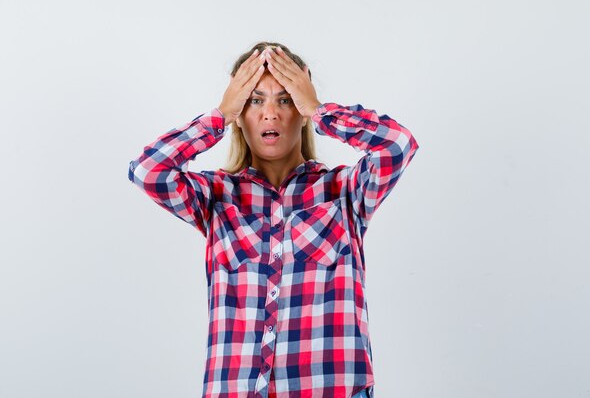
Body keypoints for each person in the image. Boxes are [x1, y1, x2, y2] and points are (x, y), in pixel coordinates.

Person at [128, 41, 419, 398]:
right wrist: (219, 115)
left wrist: (319, 108)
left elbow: (397, 145)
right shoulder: (216, 196)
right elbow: (148, 171)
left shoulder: (345, 192)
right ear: (240, 114)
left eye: (285, 99)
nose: (271, 113)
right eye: (254, 100)